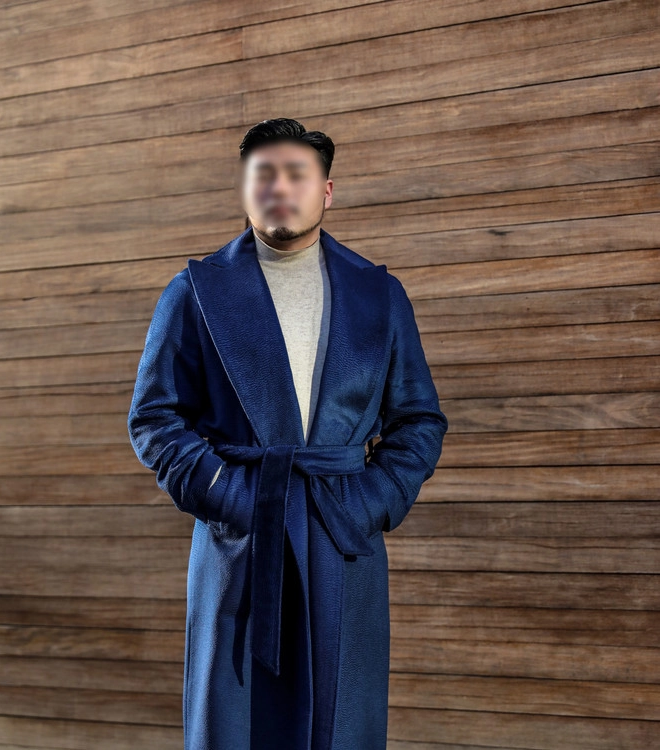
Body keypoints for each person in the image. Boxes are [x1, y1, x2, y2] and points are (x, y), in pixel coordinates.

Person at [127, 117, 449, 750]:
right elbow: (154, 417)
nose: (280, 186)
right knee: (234, 721)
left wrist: (368, 502)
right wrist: (228, 495)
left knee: (340, 722)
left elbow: (419, 420)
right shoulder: (195, 291)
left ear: (325, 191)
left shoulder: (379, 294)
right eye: (264, 173)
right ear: (245, 188)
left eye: (296, 173)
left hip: (342, 533)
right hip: (241, 535)